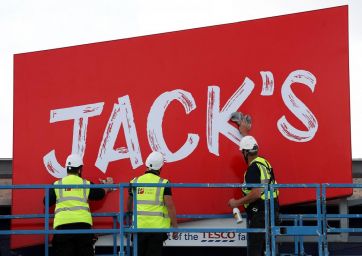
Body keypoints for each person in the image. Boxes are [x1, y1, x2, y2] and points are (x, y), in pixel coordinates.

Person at [43, 153, 114, 256]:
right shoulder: (86, 184)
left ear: (67, 168)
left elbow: (46, 202)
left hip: (63, 229)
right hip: (83, 228)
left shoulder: (57, 185)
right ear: (80, 169)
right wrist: (108, 186)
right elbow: (100, 194)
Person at [228, 119, 279, 256]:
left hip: (261, 214)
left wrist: (236, 203)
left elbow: (256, 193)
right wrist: (244, 133)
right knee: (267, 250)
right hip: (272, 211)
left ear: (244, 153)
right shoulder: (264, 163)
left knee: (255, 251)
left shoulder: (253, 169)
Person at [127, 151, 178, 256]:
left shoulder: (134, 181)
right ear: (160, 168)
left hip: (139, 227)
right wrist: (175, 227)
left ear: (146, 166)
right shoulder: (163, 183)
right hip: (156, 229)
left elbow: (129, 204)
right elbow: (170, 207)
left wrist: (130, 214)